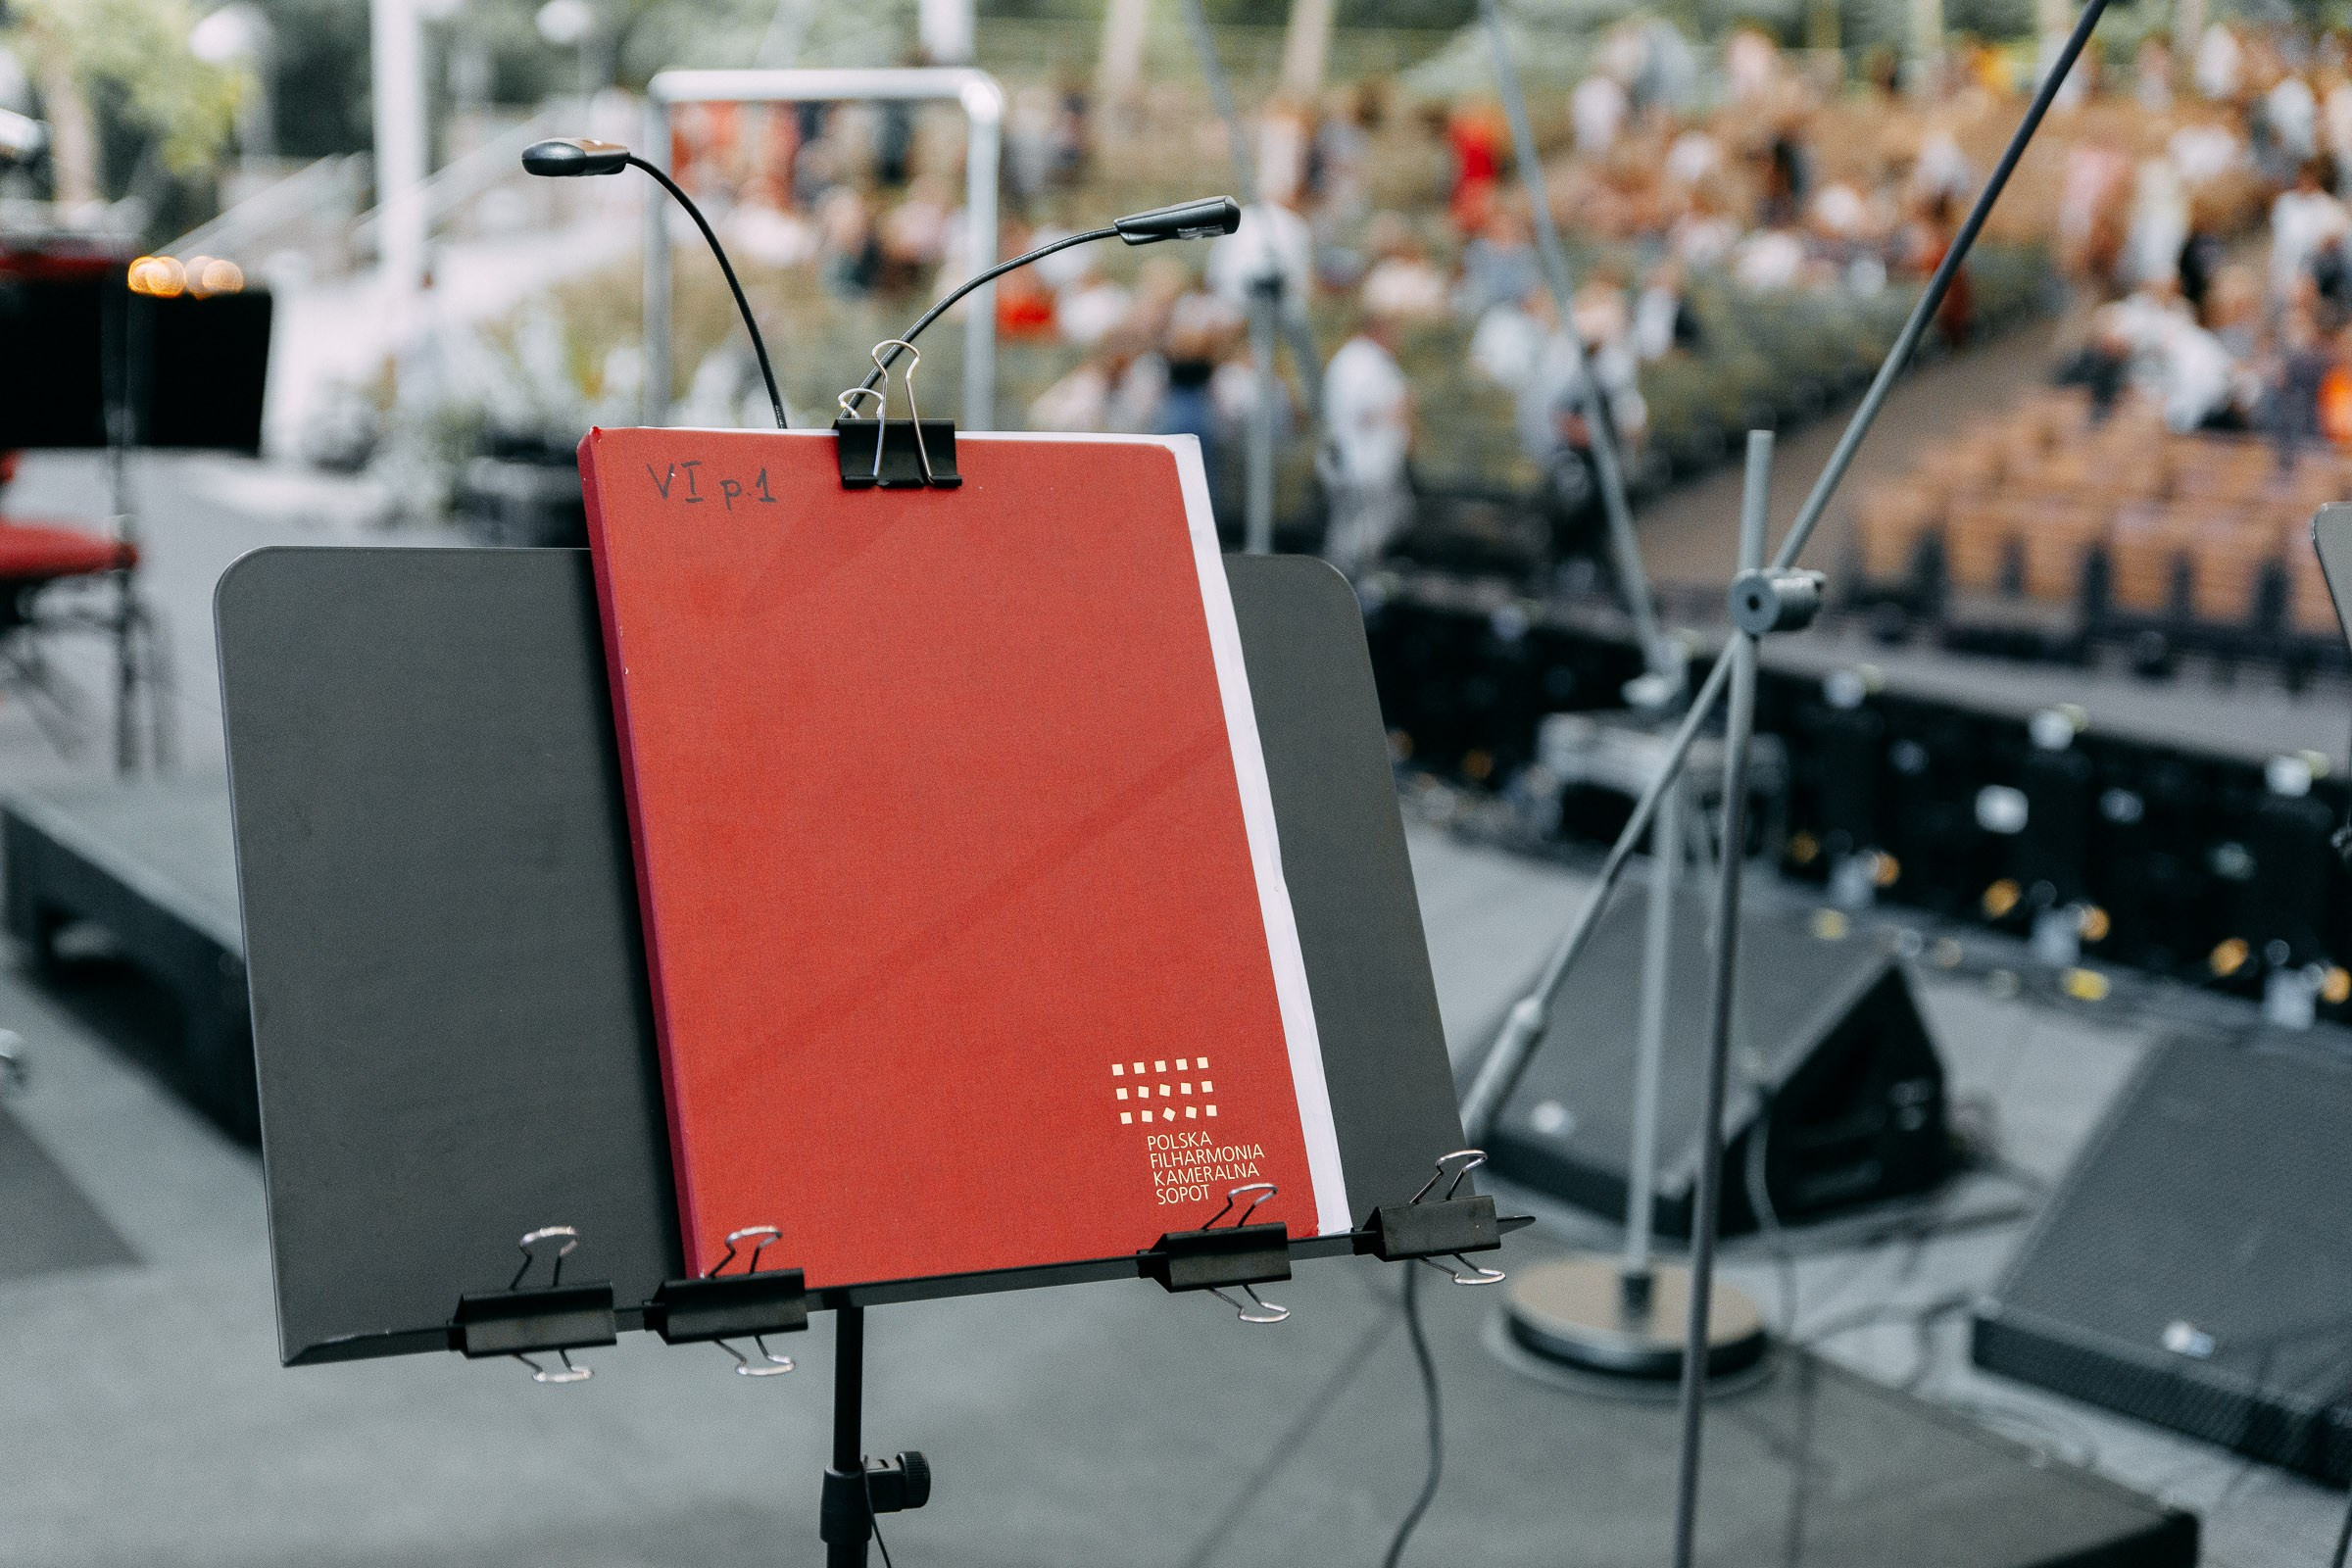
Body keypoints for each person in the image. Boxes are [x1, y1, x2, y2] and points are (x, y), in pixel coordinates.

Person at [1322, 310, 1414, 575]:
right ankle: (1351, 585)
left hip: (1348, 461)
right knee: (1367, 530)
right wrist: (1398, 410)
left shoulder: (1348, 358)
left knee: (1347, 530)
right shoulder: (1365, 360)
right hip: (1365, 463)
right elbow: (1365, 410)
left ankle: (1341, 583)